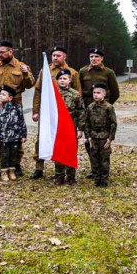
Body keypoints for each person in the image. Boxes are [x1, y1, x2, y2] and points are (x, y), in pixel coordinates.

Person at [0, 40, 35, 177]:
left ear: (10, 52)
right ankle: (4, 165)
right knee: (1, 136)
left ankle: (15, 164)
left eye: (2, 52)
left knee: (16, 136)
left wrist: (26, 74)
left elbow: (30, 84)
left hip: (16, 105)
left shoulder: (21, 66)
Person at [31, 45, 82, 179]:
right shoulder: (45, 71)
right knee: (42, 139)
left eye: (58, 55)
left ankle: (67, 169)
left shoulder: (73, 72)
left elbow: (78, 94)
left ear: (64, 57)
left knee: (65, 142)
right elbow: (38, 91)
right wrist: (36, 111)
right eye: (53, 55)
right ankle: (39, 167)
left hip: (67, 117)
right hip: (49, 114)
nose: (55, 58)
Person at [83, 82, 117, 187]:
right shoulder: (90, 107)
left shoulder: (108, 107)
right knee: (94, 159)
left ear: (104, 94)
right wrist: (88, 136)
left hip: (104, 136)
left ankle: (104, 180)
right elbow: (87, 122)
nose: (96, 95)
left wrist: (110, 138)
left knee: (104, 159)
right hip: (93, 137)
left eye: (98, 93)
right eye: (94, 93)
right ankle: (97, 180)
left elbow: (113, 123)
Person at [54, 68, 85, 185]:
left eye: (65, 78)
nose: (62, 81)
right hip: (58, 126)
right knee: (59, 151)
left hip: (72, 125)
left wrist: (80, 128)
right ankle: (59, 176)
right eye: (60, 79)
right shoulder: (53, 93)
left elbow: (81, 111)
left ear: (70, 80)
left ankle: (71, 176)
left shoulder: (75, 94)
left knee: (71, 150)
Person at [0, 85, 26, 182]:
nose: (0, 96)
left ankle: (12, 171)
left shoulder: (17, 108)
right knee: (4, 155)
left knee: (13, 154)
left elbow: (21, 121)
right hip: (3, 138)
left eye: (3, 94)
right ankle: (4, 172)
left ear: (10, 98)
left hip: (15, 137)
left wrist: (23, 134)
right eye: (0, 94)